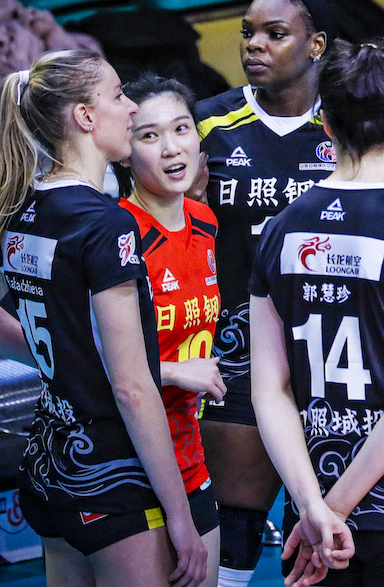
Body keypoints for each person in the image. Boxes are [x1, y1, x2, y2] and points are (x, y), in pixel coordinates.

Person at [194, 0, 384, 587]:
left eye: (275, 33)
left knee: (332, 540)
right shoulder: (209, 123)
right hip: (241, 353)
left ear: (317, 44)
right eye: (248, 32)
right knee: (234, 533)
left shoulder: (353, 117)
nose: (254, 44)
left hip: (343, 363)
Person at [0, 49, 206, 587]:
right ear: (85, 117)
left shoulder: (19, 212)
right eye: (118, 95)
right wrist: (181, 517)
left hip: (49, 468)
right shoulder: (105, 225)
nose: (130, 108)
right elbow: (132, 389)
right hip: (113, 478)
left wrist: (65, 365)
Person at [251, 39, 384, 587]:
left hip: (312, 515)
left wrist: (315, 510)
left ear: (325, 122)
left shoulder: (278, 231)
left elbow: (269, 391)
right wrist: (336, 512)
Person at [119, 74, 225, 587]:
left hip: (189, 452)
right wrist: (174, 371)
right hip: (125, 462)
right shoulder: (116, 234)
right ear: (124, 152)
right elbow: (86, 361)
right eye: (149, 135)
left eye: (181, 129)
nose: (171, 148)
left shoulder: (205, 222)